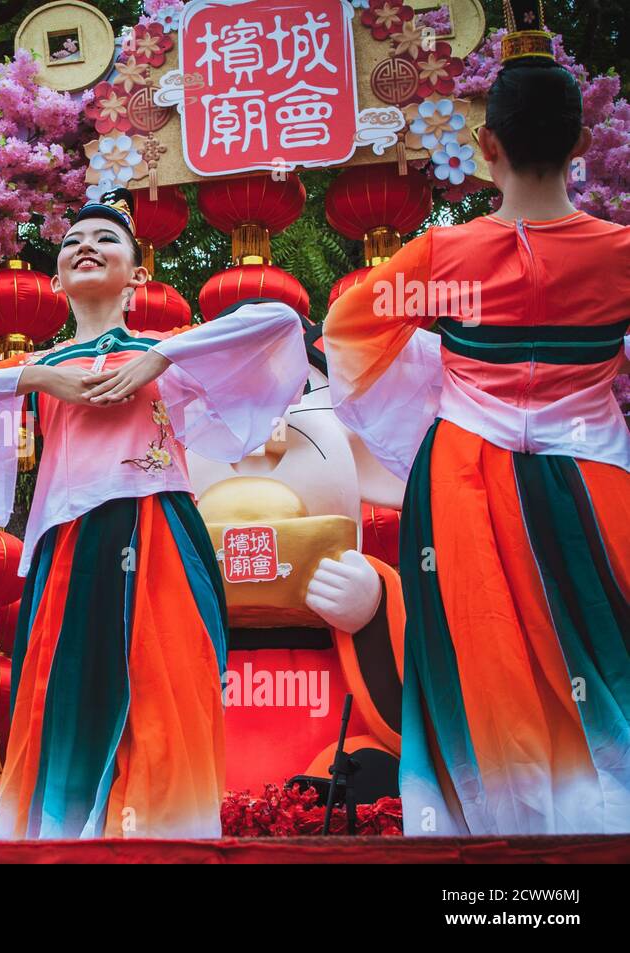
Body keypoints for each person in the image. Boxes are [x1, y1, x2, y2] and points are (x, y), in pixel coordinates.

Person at [0, 189, 308, 838]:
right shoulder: (40, 364)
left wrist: (159, 356)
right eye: (72, 243)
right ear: (61, 275)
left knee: (169, 693)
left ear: (138, 274)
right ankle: (64, 843)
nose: (85, 247)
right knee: (67, 706)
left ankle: (169, 839)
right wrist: (40, 380)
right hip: (72, 544)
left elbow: (280, 326)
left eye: (105, 239)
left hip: (160, 532)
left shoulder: (167, 352)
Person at [323, 0, 630, 835]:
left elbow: (350, 335)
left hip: (465, 477)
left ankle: (488, 831)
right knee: (603, 648)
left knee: (479, 653)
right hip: (594, 476)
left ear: (487, 143)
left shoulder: (445, 257)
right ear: (577, 143)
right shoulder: (619, 254)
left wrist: (452, 378)